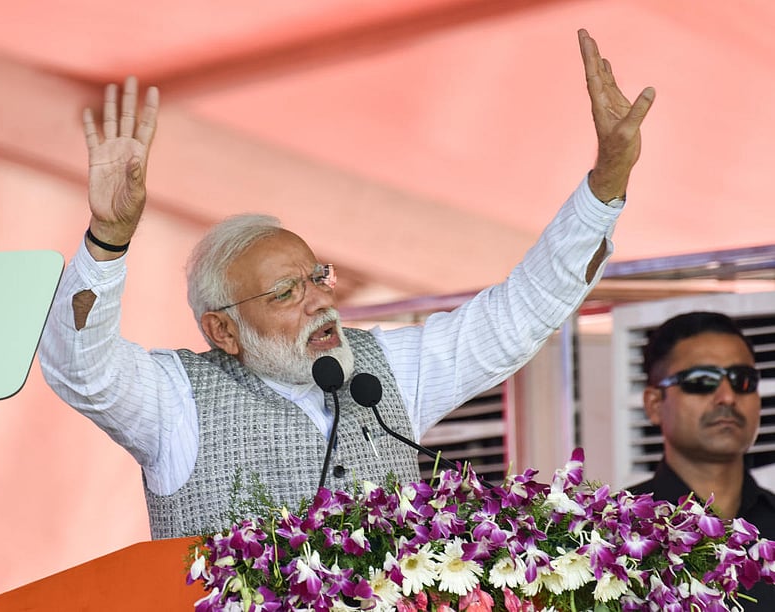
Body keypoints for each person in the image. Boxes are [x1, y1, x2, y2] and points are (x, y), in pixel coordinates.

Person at [38, 28, 655, 539]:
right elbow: (77, 367)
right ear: (223, 330)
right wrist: (108, 238)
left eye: (317, 277)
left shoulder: (385, 367)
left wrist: (606, 184)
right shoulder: (174, 401)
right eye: (284, 293)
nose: (317, 300)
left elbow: (521, 312)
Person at [631, 311, 775, 610]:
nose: (727, 397)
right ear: (655, 404)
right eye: (702, 381)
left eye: (742, 380)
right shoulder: (618, 532)